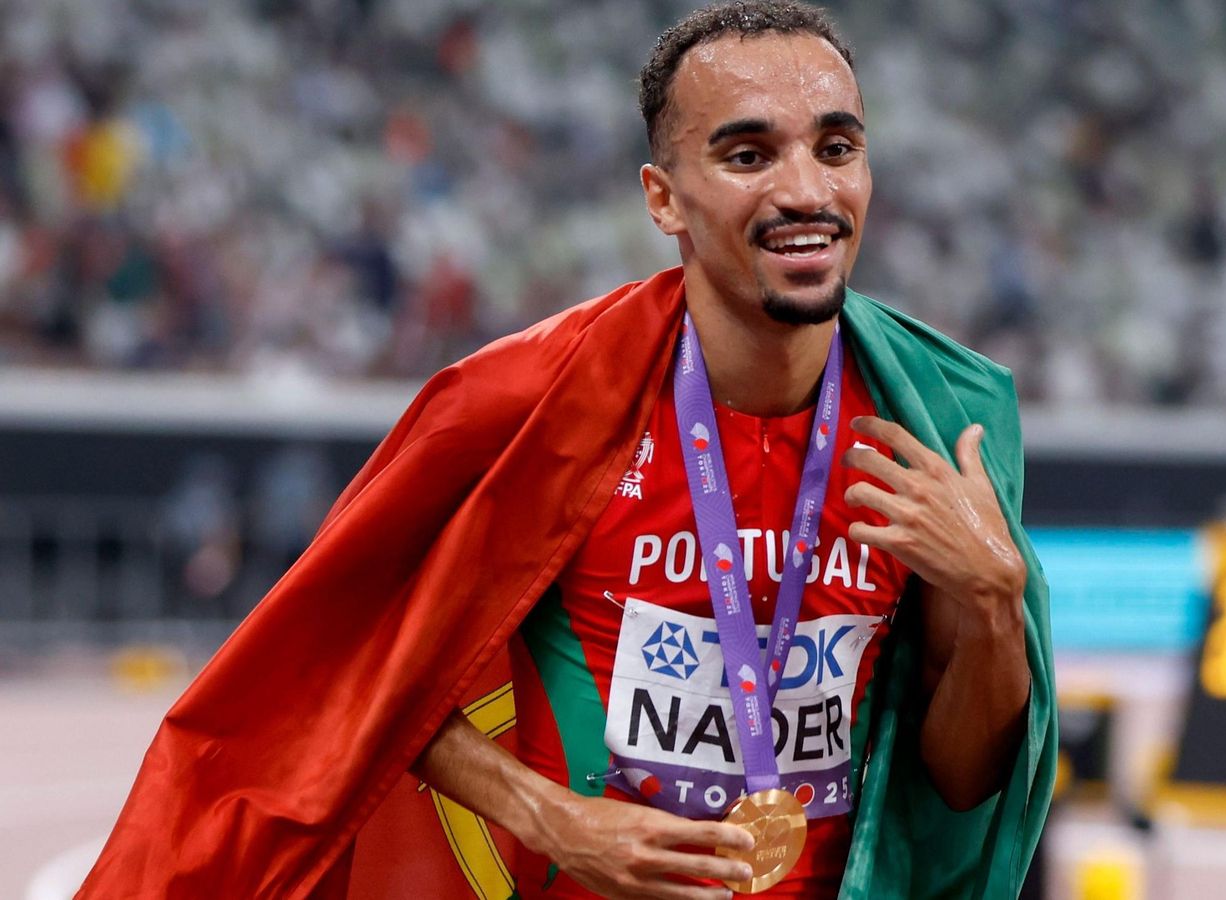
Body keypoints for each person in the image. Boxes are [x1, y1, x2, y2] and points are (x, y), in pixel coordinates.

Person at [78, 3, 1055, 898]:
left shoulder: (938, 419)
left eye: (834, 146)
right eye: (748, 155)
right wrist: (550, 815)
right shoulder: (524, 401)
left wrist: (994, 605)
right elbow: (346, 663)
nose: (806, 188)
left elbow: (959, 781)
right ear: (663, 200)